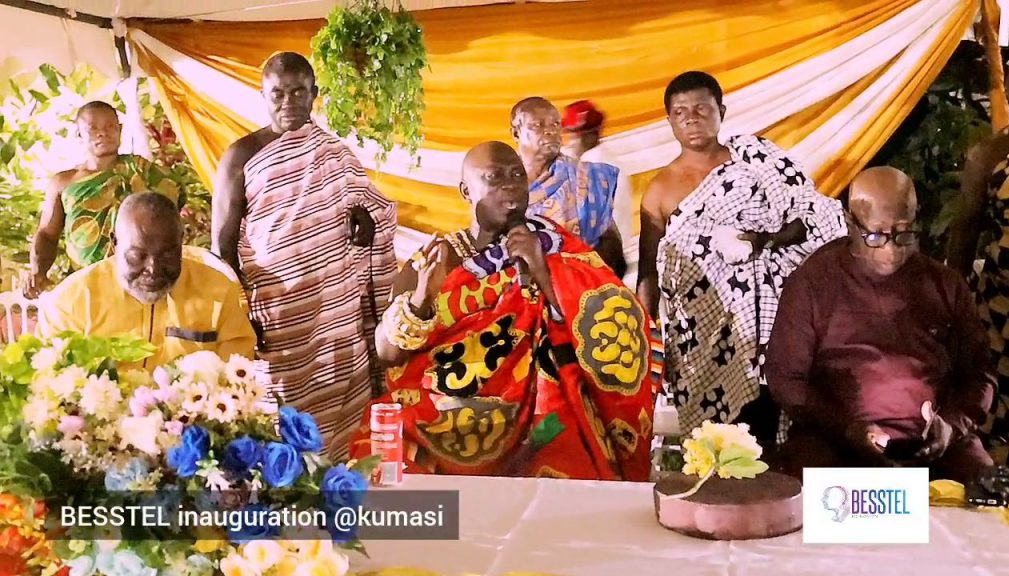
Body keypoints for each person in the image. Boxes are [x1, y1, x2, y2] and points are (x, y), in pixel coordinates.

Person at [348, 141, 654, 481]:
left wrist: (543, 273)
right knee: (381, 445)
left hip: (545, 421)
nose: (510, 185)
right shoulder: (438, 259)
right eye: (494, 177)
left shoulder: (556, 246)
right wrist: (422, 298)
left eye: (517, 175)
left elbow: (617, 317)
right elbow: (387, 353)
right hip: (452, 419)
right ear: (466, 191)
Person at [639, 71, 845, 447]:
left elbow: (809, 215)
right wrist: (646, 334)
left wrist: (764, 240)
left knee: (766, 430)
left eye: (701, 108)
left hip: (768, 323)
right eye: (680, 112)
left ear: (721, 112)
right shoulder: (659, 190)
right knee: (715, 445)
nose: (691, 118)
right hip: (700, 335)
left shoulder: (757, 161)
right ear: (669, 121)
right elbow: (650, 270)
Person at [212, 52, 397, 460]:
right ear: (263, 96)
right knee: (278, 417)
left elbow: (371, 210)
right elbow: (221, 250)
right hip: (276, 318)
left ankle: (334, 480)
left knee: (338, 418)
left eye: (298, 92)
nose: (288, 102)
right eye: (277, 93)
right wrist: (238, 315)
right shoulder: (240, 155)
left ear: (314, 94)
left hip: (335, 314)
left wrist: (364, 221)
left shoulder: (335, 152)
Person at [766, 167, 995, 483]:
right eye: (875, 236)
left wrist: (952, 426)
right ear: (850, 223)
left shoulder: (945, 285)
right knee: (810, 487)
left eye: (903, 233)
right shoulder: (812, 283)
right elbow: (786, 379)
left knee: (987, 494)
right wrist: (846, 428)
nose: (891, 249)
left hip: (935, 443)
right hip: (835, 438)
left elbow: (980, 375)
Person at [36, 192, 256, 370]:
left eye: (167, 255)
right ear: (114, 243)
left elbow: (236, 378)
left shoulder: (217, 290)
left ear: (181, 242)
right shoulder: (70, 302)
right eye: (137, 256)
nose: (153, 270)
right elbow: (52, 385)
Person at [946, 59, 1009, 472]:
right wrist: (951, 309)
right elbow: (964, 233)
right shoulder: (988, 154)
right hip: (1002, 309)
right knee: (1000, 410)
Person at [25, 101, 182, 298]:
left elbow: (169, 212)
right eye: (93, 128)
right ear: (79, 134)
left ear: (120, 130)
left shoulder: (142, 170)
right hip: (87, 284)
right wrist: (38, 271)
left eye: (110, 126)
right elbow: (47, 234)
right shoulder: (63, 182)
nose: (103, 133)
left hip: (142, 278)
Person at [511, 97, 626, 278]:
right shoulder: (502, 186)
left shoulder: (586, 177)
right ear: (516, 133)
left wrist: (575, 275)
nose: (550, 131)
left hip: (582, 285)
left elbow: (612, 248)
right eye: (538, 125)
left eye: (555, 124)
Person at [561, 100, 638, 289]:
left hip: (598, 261)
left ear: (589, 135)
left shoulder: (593, 167)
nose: (570, 142)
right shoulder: (604, 162)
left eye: (573, 135)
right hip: (608, 260)